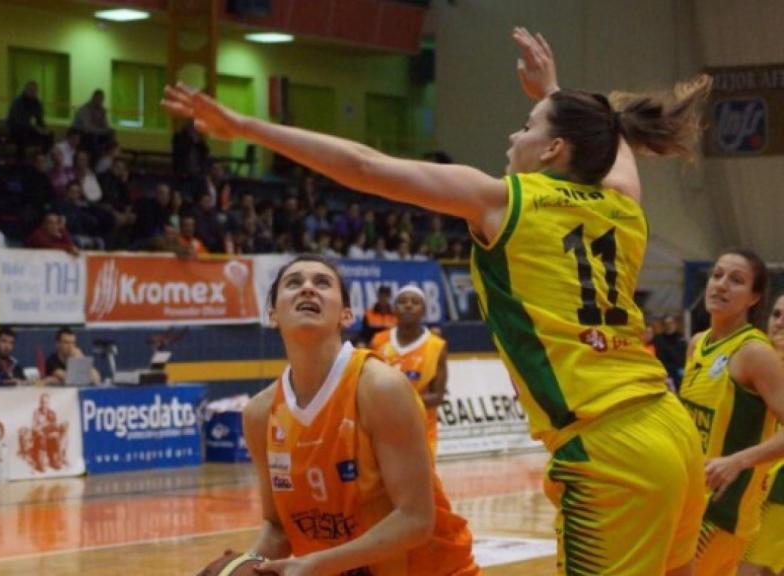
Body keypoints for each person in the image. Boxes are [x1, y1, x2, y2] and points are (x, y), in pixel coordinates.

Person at [164, 27, 712, 575]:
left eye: (527, 127)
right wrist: (552, 94)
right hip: (673, 429)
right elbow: (608, 146)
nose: (512, 136)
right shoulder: (622, 206)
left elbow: (366, 167)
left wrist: (246, 128)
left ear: (553, 149)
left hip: (609, 446)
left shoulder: (507, 201)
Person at [240, 256, 479, 575]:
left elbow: (416, 520)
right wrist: (244, 566)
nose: (308, 288)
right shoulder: (259, 414)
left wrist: (318, 564)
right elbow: (277, 526)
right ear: (272, 314)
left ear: (346, 315)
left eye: (322, 283)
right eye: (294, 283)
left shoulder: (380, 387)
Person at [679, 250, 784, 576]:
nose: (721, 285)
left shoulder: (754, 353)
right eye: (717, 275)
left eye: (736, 280)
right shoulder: (698, 343)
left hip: (724, 511)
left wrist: (738, 460)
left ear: (754, 298)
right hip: (688, 500)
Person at [370, 284, 447, 457]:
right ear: (394, 309)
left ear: (424, 310)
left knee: (422, 483)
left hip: (421, 431)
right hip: (384, 430)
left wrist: (399, 401)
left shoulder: (436, 346)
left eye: (415, 302)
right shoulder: (378, 342)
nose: (408, 305)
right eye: (402, 301)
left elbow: (437, 396)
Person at [739, 292, 784, 576]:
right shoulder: (752, 357)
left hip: (775, 489)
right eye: (777, 315)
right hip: (749, 487)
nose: (780, 323)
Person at [7, 81, 51, 155]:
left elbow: (39, 119)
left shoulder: (37, 103)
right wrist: (35, 128)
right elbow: (17, 120)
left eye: (35, 91)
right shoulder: (18, 102)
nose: (33, 93)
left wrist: (44, 129)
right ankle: (21, 161)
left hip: (30, 128)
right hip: (16, 128)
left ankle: (43, 158)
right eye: (31, 90)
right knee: (22, 135)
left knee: (48, 136)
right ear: (26, 90)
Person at [72, 89, 114, 155]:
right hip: (81, 135)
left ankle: (108, 156)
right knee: (93, 137)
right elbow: (87, 128)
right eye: (98, 99)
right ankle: (95, 157)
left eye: (101, 99)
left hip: (94, 134)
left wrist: (106, 129)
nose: (100, 101)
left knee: (111, 133)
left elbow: (105, 126)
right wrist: (102, 131)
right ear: (93, 98)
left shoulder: (101, 110)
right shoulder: (85, 109)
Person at [655, 314, 688, 388]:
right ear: (664, 325)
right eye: (667, 324)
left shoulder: (681, 338)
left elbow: (684, 355)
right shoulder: (659, 339)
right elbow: (660, 358)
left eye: (671, 323)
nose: (670, 326)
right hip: (666, 374)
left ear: (675, 324)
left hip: (680, 374)